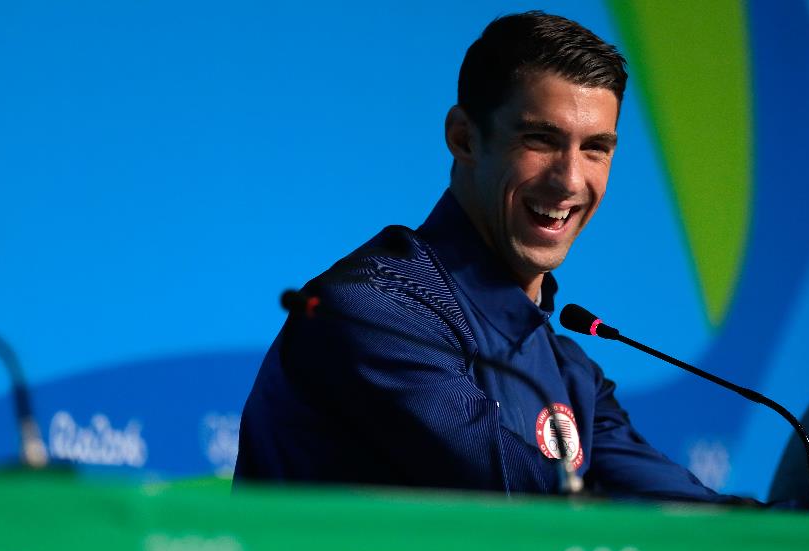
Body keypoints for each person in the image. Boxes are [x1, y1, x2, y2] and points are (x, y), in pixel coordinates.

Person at [232, 11, 746, 503]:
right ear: (464, 138)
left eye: (596, 148)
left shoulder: (569, 372)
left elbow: (684, 511)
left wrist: (802, 522)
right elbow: (515, 497)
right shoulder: (374, 313)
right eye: (540, 140)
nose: (570, 180)